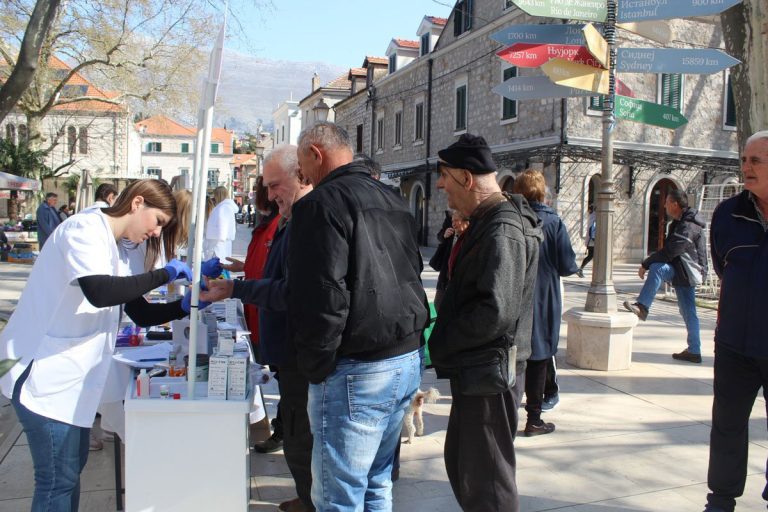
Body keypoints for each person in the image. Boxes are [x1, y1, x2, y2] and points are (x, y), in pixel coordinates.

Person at [0, 179, 202, 511]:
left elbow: (138, 311)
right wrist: (165, 274)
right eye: (158, 222)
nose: (155, 233)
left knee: (67, 473)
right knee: (56, 481)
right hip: (42, 375)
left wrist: (183, 307)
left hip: (69, 381)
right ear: (137, 203)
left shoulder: (121, 246)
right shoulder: (83, 230)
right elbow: (100, 292)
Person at [288, 122, 427, 512]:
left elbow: (321, 298)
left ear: (316, 153)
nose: (302, 175)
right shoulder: (393, 199)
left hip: (360, 369)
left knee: (338, 496)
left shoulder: (318, 205)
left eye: (303, 164)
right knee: (377, 483)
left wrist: (317, 366)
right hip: (403, 359)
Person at [428, 134, 542, 512]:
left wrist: (438, 341)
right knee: (465, 466)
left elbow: (494, 312)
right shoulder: (486, 220)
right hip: (477, 371)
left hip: (489, 376)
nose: (441, 185)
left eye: (444, 176)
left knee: (487, 483)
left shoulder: (502, 228)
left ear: (466, 178)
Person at [203, 145, 314, 512]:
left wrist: (237, 287)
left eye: (274, 185)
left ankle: (311, 498)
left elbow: (292, 289)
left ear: (301, 174)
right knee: (297, 424)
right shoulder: (287, 217)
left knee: (302, 427)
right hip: (285, 346)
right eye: (265, 187)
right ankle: (307, 494)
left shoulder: (306, 218)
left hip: (302, 348)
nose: (268, 195)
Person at [704, 131, 768, 512]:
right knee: (727, 427)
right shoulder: (727, 214)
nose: (746, 167)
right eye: (744, 159)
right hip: (734, 347)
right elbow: (719, 264)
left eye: (756, 160)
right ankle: (721, 501)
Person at [512, 171, 578, 436]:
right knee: (539, 355)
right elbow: (567, 264)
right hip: (544, 296)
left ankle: (507, 415)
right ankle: (534, 419)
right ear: (542, 192)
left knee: (515, 353)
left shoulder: (511, 219)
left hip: (516, 293)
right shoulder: (553, 222)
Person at [623, 188, 707, 363]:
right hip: (682, 269)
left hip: (689, 271)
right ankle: (694, 350)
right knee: (688, 311)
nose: (664, 205)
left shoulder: (688, 225)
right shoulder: (680, 222)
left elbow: (671, 251)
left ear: (675, 204)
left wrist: (646, 263)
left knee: (658, 268)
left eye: (667, 202)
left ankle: (643, 307)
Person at [429, 210, 469, 310]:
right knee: (438, 304)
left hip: (460, 280)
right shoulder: (450, 220)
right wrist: (444, 235)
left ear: (466, 222)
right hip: (445, 275)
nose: (453, 223)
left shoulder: (471, 237)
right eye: (452, 221)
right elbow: (440, 235)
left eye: (456, 221)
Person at [204, 186, 239, 260]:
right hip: (220, 243)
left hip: (219, 244)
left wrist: (218, 243)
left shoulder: (223, 208)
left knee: (218, 265)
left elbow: (222, 228)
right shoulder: (224, 207)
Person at [577, 204, 596, 278]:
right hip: (593, 241)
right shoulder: (594, 217)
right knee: (591, 255)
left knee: (591, 255)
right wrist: (594, 238)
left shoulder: (591, 216)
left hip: (591, 240)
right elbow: (593, 229)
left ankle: (581, 269)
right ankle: (580, 269)